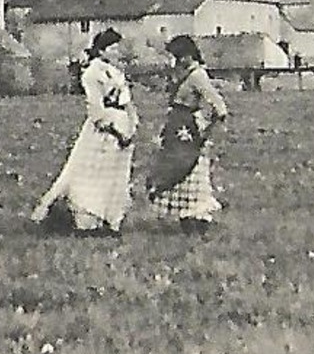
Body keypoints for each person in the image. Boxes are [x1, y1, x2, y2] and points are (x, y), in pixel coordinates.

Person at [29, 28, 139, 236]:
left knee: (116, 175)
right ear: (101, 50)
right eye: (112, 48)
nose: (116, 52)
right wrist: (114, 131)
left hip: (122, 123)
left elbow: (127, 101)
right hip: (104, 129)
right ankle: (87, 221)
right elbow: (96, 108)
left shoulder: (116, 72)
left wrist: (131, 125)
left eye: (117, 48)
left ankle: (111, 219)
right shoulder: (91, 74)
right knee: (93, 173)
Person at [146, 35, 230, 232]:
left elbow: (214, 99)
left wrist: (212, 121)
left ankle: (197, 216)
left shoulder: (197, 75)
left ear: (190, 55)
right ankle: (185, 213)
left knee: (187, 163)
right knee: (173, 163)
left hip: (187, 125)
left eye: (181, 56)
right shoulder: (184, 73)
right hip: (176, 123)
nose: (178, 60)